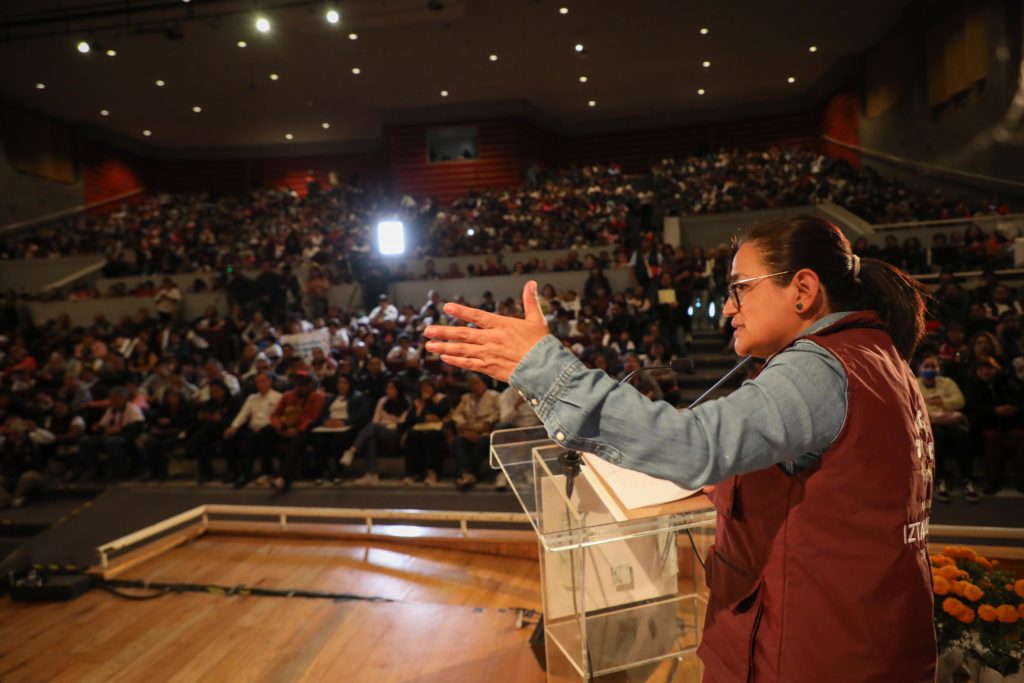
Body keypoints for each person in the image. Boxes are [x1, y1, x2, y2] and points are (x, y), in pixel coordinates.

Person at [423, 215, 936, 681]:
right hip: (865, 639)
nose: (729, 308)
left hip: (814, 652)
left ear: (802, 289)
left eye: (740, 288)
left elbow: (696, 447)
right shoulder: (877, 355)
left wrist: (543, 366)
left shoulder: (817, 366)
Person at [916, 352, 977, 502]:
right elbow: (916, 405)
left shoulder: (947, 382)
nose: (930, 369)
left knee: (961, 433)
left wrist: (940, 402)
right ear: (920, 368)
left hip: (950, 422)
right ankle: (939, 480)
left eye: (933, 366)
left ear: (938, 369)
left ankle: (966, 479)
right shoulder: (914, 383)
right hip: (930, 424)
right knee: (936, 436)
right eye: (927, 366)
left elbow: (959, 400)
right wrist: (941, 406)